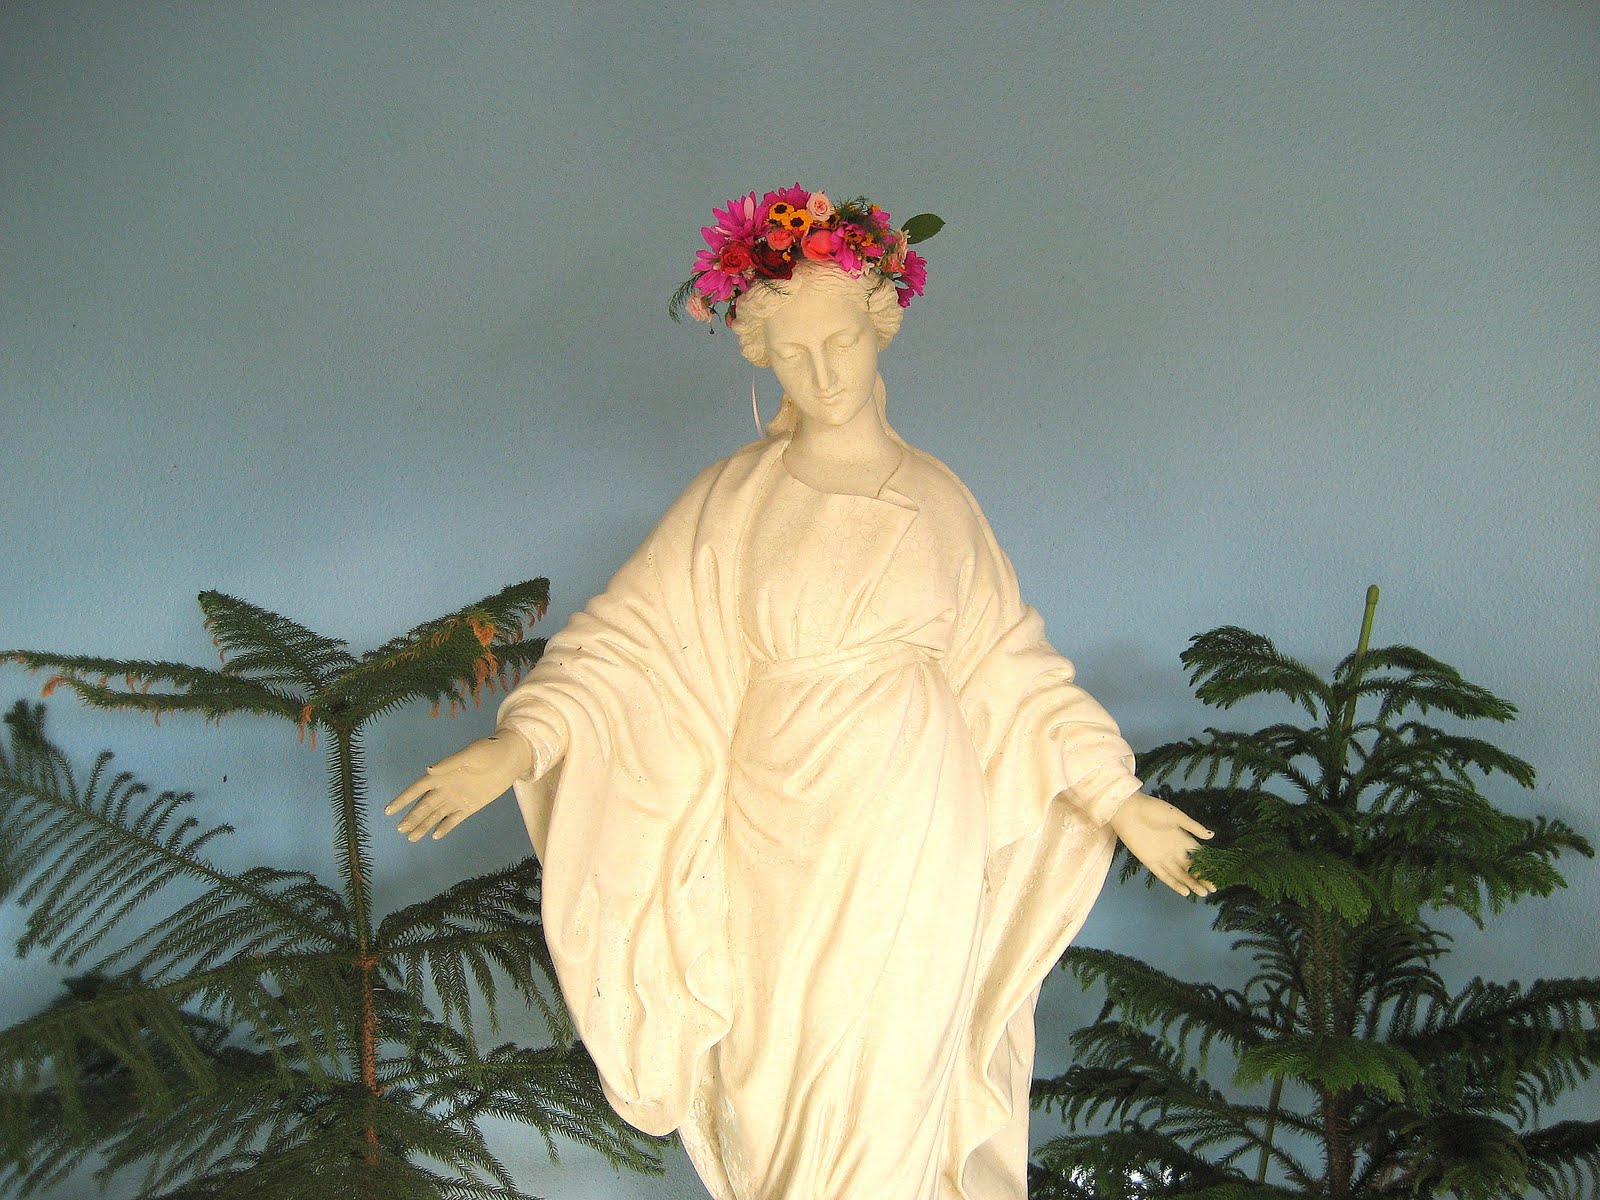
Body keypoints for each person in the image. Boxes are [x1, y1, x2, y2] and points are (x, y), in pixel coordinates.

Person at [387, 188, 1213, 1200]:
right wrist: (517, 748)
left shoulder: (939, 500)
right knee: (775, 1077)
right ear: (762, 357)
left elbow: (1014, 669)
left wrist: (1118, 800)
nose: (823, 374)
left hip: (916, 820)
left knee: (901, 1064)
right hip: (774, 830)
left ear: (881, 327)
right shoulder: (732, 501)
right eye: (794, 353)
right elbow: (628, 645)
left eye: (841, 344)